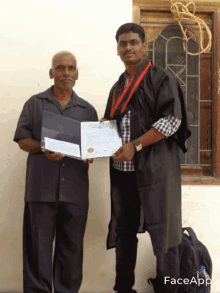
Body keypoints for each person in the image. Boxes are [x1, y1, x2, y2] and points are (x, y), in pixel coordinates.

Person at [103, 23, 191, 293]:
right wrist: (93, 146)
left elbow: (172, 122)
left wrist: (136, 145)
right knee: (124, 234)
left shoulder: (161, 79)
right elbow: (109, 125)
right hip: (123, 173)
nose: (127, 47)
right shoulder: (118, 86)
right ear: (117, 49)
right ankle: (123, 288)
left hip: (155, 173)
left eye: (133, 42)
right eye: (122, 43)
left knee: (165, 236)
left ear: (145, 46)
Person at [14, 51, 98, 293]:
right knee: (37, 250)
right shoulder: (34, 104)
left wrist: (92, 152)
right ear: (51, 73)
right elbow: (22, 140)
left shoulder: (87, 110)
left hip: (75, 192)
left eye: (71, 68)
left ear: (77, 74)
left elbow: (91, 149)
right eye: (60, 68)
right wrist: (43, 147)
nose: (66, 73)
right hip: (41, 190)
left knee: (71, 251)